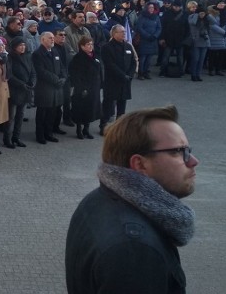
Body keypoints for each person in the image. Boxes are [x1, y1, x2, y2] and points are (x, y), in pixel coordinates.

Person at [65, 106, 198, 293]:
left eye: (188, 150)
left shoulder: (97, 199)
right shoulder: (136, 250)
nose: (193, 161)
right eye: (178, 151)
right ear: (140, 164)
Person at [100, 25, 137, 136]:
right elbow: (110, 64)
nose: (124, 34)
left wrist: (130, 75)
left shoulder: (128, 46)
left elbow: (133, 62)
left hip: (125, 81)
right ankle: (104, 126)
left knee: (122, 105)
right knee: (108, 105)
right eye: (121, 32)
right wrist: (122, 75)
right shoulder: (107, 47)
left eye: (124, 32)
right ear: (114, 33)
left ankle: (120, 127)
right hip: (112, 81)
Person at [32, 31, 66, 145]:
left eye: (52, 38)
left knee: (52, 112)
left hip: (56, 88)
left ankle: (49, 133)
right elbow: (41, 71)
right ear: (42, 40)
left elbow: (61, 67)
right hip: (44, 88)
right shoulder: (37, 54)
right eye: (50, 38)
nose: (52, 40)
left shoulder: (55, 51)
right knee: (42, 113)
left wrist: (63, 78)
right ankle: (40, 135)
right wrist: (56, 80)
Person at [68, 36, 103, 140]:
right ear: (82, 46)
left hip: (94, 87)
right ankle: (79, 129)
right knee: (80, 109)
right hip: (83, 88)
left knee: (91, 108)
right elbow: (75, 74)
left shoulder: (95, 56)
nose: (90, 46)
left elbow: (100, 70)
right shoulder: (78, 58)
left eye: (91, 44)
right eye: (88, 44)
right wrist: (82, 87)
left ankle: (86, 129)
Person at [5, 37, 33, 148]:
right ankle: (7, 138)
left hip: (26, 89)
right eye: (20, 45)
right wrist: (22, 84)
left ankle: (16, 137)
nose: (23, 47)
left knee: (20, 115)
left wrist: (32, 82)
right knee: (10, 116)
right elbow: (9, 75)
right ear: (15, 46)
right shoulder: (10, 58)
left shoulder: (28, 56)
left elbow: (33, 71)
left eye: (24, 45)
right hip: (15, 89)